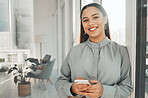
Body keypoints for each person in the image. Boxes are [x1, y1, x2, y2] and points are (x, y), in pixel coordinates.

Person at [55, 3, 133, 98]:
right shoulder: (74, 52)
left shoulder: (120, 51)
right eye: (85, 20)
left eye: (95, 17)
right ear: (82, 25)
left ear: (105, 19)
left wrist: (104, 91)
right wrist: (72, 89)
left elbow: (127, 88)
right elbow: (60, 81)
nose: (90, 23)